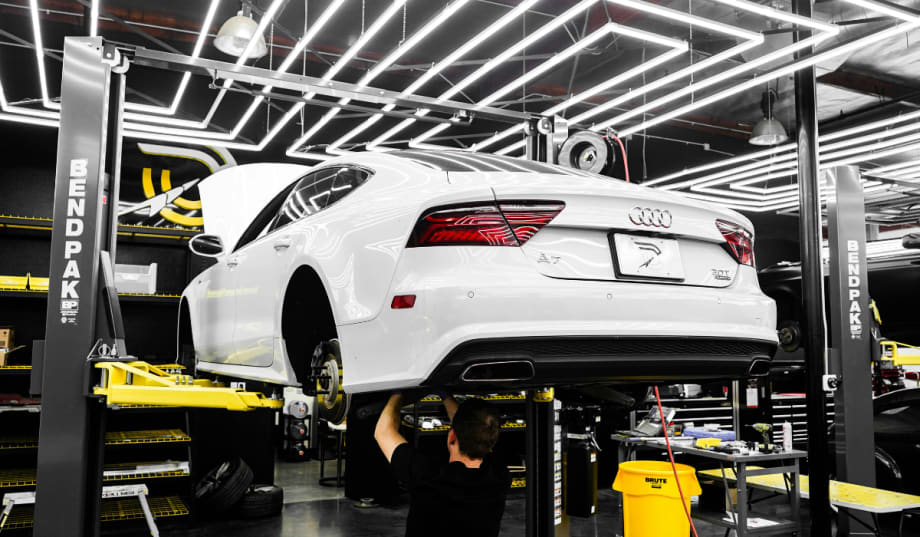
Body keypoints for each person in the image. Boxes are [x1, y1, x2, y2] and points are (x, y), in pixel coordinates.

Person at [374, 392, 509, 537]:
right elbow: (471, 430)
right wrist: (444, 394)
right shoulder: (500, 477)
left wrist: (398, 393)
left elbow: (383, 432)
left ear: (452, 436)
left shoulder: (427, 476)